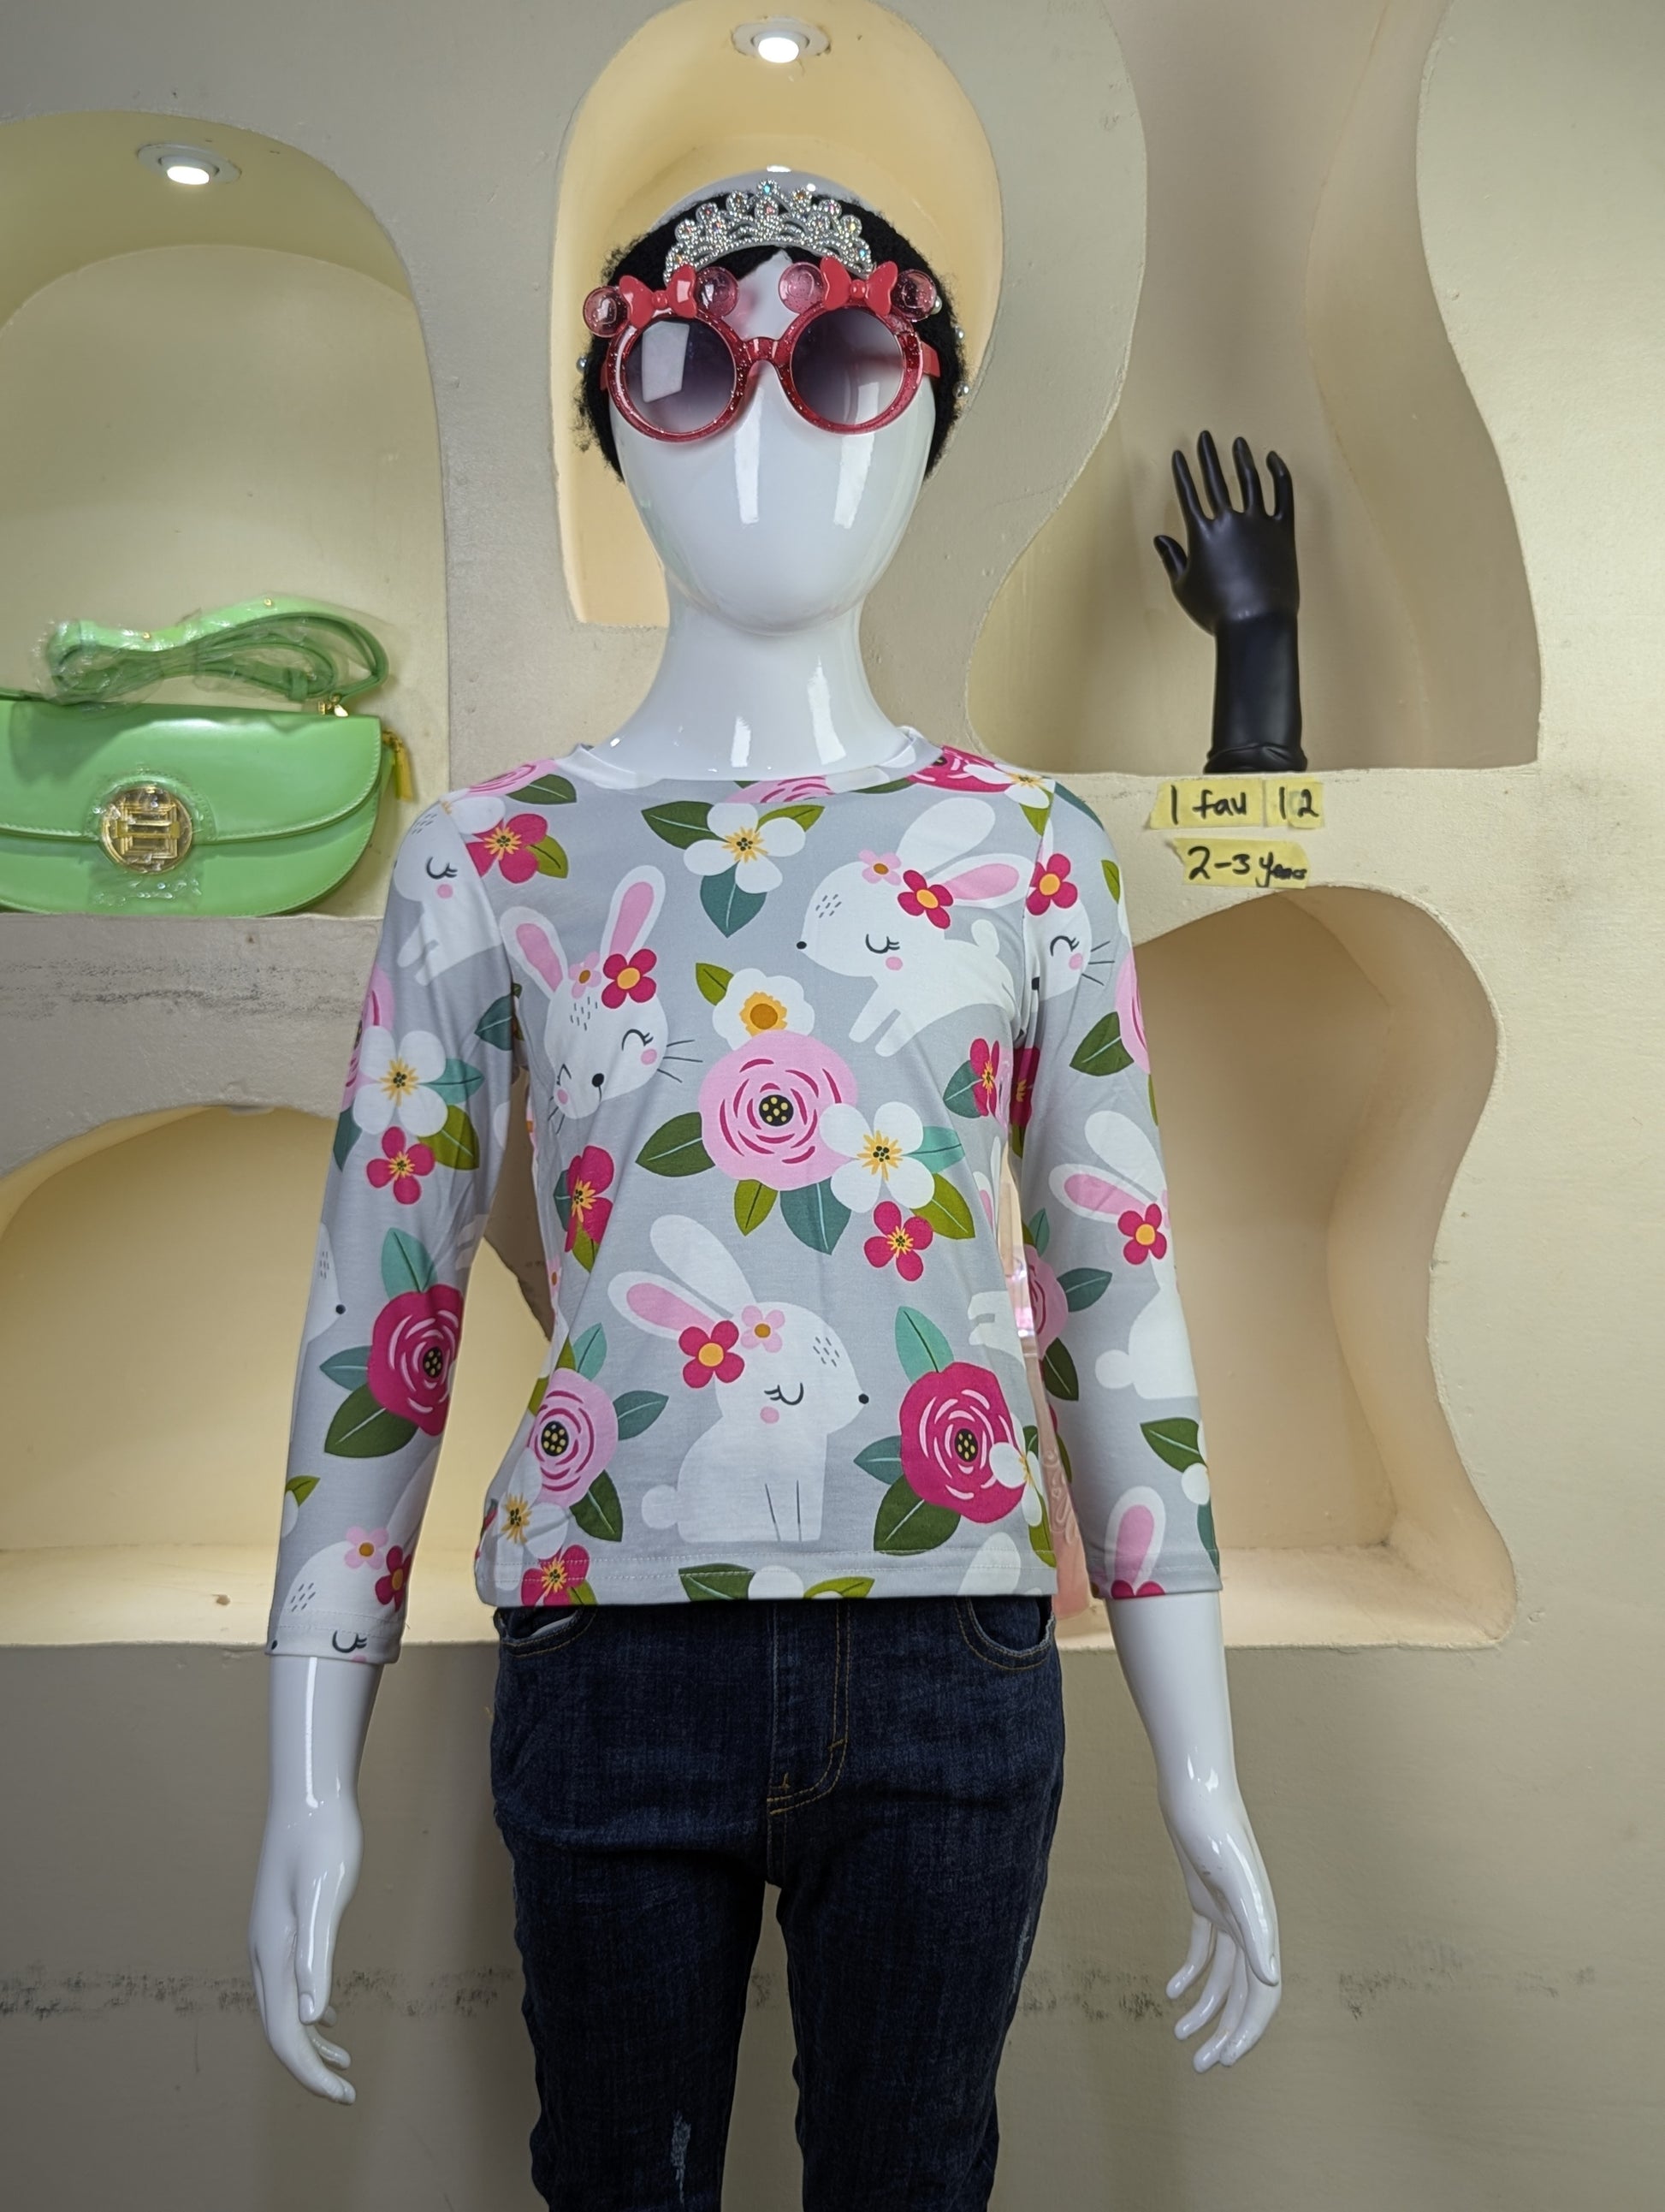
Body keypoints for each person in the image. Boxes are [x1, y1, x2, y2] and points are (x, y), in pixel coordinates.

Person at [251, 171, 1280, 2212]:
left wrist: (1201, 1756)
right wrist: (303, 1770)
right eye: (687, 370)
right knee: (615, 2179)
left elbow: (1114, 1298)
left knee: (914, 2179)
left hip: (951, 1653)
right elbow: (383, 1317)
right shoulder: (491, 857)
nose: (772, 436)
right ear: (618, 427)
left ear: (924, 413)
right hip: (606, 1656)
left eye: (843, 359)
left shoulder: (1031, 850)